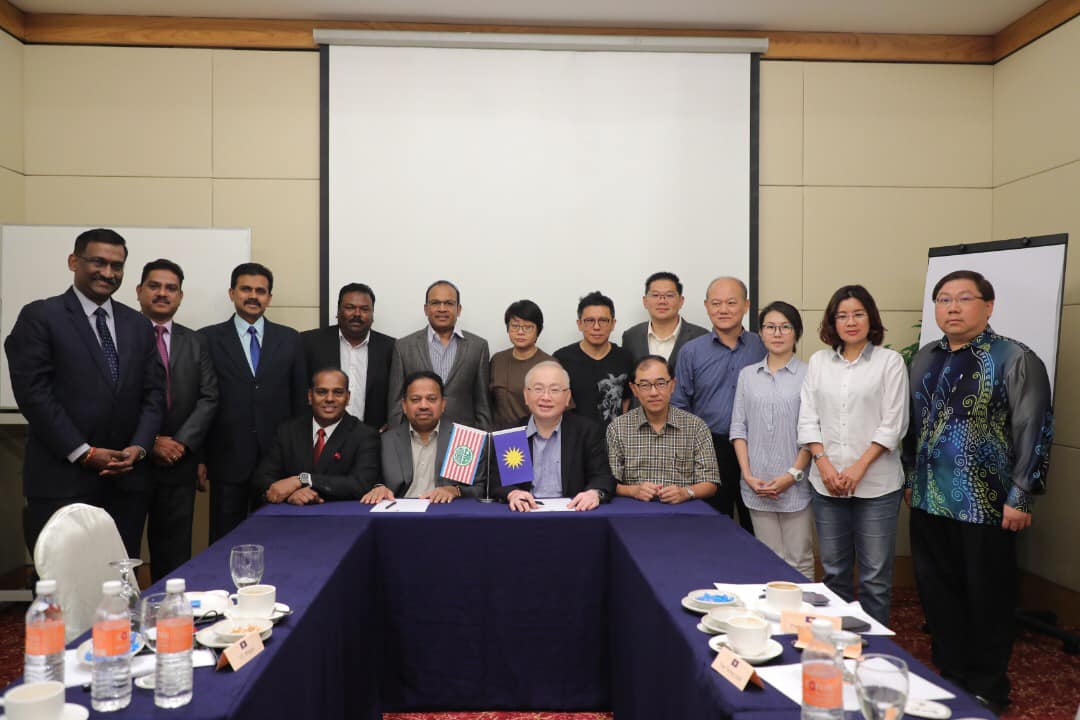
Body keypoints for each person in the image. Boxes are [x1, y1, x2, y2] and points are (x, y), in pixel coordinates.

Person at [903, 270, 1052, 713]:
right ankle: (950, 674)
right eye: (944, 299)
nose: (952, 307)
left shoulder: (1014, 357)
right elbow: (912, 426)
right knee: (937, 593)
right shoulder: (925, 358)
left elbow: (1034, 428)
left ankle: (989, 685)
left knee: (987, 597)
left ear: (988, 306)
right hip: (929, 498)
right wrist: (912, 478)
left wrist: (1021, 495)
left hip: (986, 504)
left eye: (963, 298)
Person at [5, 228, 164, 557]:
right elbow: (34, 394)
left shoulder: (137, 324)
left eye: (117, 266)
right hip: (62, 480)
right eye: (98, 262)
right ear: (73, 261)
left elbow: (153, 394)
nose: (108, 273)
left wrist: (139, 447)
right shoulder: (40, 317)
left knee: (120, 582)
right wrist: (83, 452)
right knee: (63, 586)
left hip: (126, 481)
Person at [797, 285, 908, 625]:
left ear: (870, 317)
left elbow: (894, 423)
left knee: (874, 577)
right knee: (834, 573)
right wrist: (824, 464)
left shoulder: (890, 362)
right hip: (827, 485)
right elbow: (807, 417)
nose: (850, 322)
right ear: (832, 322)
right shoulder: (818, 362)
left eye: (858, 314)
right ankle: (836, 650)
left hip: (876, 485)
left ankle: (874, 654)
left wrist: (858, 468)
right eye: (841, 315)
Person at [200, 262, 307, 542]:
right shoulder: (207, 339)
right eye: (245, 289)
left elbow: (300, 402)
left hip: (277, 460)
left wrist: (299, 460)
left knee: (277, 538)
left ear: (269, 297)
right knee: (226, 539)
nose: (253, 296)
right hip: (227, 458)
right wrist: (199, 458)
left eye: (261, 291)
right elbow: (201, 402)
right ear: (232, 292)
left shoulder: (290, 339)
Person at [135, 259, 219, 582]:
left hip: (179, 462)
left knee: (174, 553)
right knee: (123, 550)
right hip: (131, 460)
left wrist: (181, 443)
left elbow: (209, 397)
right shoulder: (121, 336)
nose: (162, 293)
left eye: (171, 288)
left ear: (181, 296)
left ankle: (168, 623)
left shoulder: (196, 341)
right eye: (154, 286)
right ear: (139, 291)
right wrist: (150, 441)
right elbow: (114, 399)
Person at [671, 277, 765, 530]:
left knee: (755, 525)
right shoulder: (691, 351)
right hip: (710, 450)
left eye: (731, 303)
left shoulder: (762, 346)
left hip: (757, 449)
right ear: (706, 306)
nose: (723, 310)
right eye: (716, 303)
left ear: (746, 305)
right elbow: (679, 405)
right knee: (713, 528)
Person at [729, 301, 813, 579]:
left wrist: (791, 476)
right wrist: (748, 474)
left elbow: (812, 432)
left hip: (795, 483)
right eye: (770, 327)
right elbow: (738, 428)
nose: (777, 333)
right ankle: (772, 620)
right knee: (767, 558)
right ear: (761, 333)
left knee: (799, 558)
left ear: (796, 333)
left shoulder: (810, 375)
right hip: (757, 484)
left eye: (785, 327)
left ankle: (801, 621)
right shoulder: (748, 376)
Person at [495, 360, 615, 511]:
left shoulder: (586, 431)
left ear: (567, 397)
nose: (546, 397)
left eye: (555, 390)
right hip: (523, 514)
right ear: (526, 395)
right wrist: (512, 493)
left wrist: (594, 493)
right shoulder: (512, 434)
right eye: (538, 389)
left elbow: (603, 477)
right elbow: (497, 481)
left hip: (574, 515)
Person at [254, 368, 381, 504]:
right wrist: (292, 494)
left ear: (348, 397)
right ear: (310, 396)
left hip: (339, 518)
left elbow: (361, 484)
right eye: (322, 392)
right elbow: (262, 478)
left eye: (338, 392)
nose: (330, 399)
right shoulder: (288, 431)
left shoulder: (364, 435)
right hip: (291, 516)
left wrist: (303, 479)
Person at [607, 355, 720, 503]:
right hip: (634, 512)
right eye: (645, 385)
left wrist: (685, 492)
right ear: (634, 389)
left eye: (660, 383)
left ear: (672, 385)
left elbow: (710, 483)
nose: (653, 392)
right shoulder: (618, 428)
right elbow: (608, 483)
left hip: (682, 513)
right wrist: (633, 490)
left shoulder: (696, 426)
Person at [387, 281, 492, 429]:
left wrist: (482, 438)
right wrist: (396, 440)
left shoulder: (478, 347)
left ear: (459, 309)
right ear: (426, 309)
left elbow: (483, 404)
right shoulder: (404, 346)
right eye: (435, 303)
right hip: (416, 438)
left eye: (449, 303)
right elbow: (396, 403)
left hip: (462, 440)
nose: (442, 309)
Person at [365, 370, 482, 503]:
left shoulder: (464, 439)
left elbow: (480, 488)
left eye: (431, 399)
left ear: (443, 404)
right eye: (415, 399)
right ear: (404, 405)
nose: (423, 406)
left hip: (444, 512)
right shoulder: (385, 441)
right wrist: (379, 487)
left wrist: (455, 490)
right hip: (399, 514)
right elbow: (372, 480)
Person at [300, 283, 395, 431]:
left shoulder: (391, 348)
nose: (357, 314)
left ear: (372, 315)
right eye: (350, 307)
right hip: (320, 437)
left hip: (373, 438)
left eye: (364, 309)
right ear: (338, 312)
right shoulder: (309, 343)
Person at [553, 291, 633, 425]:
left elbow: (626, 400)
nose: (596, 327)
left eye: (603, 320)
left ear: (613, 324)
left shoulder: (625, 358)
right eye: (590, 321)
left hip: (613, 439)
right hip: (574, 440)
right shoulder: (561, 359)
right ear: (579, 324)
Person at [620, 271, 708, 367]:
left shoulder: (701, 337)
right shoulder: (631, 337)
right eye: (655, 295)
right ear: (645, 301)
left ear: (681, 301)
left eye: (669, 295)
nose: (662, 301)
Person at [489, 299, 552, 430]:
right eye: (515, 326)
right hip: (501, 437)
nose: (520, 332)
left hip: (536, 435)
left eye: (528, 327)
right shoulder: (497, 360)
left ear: (538, 331)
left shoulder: (549, 364)